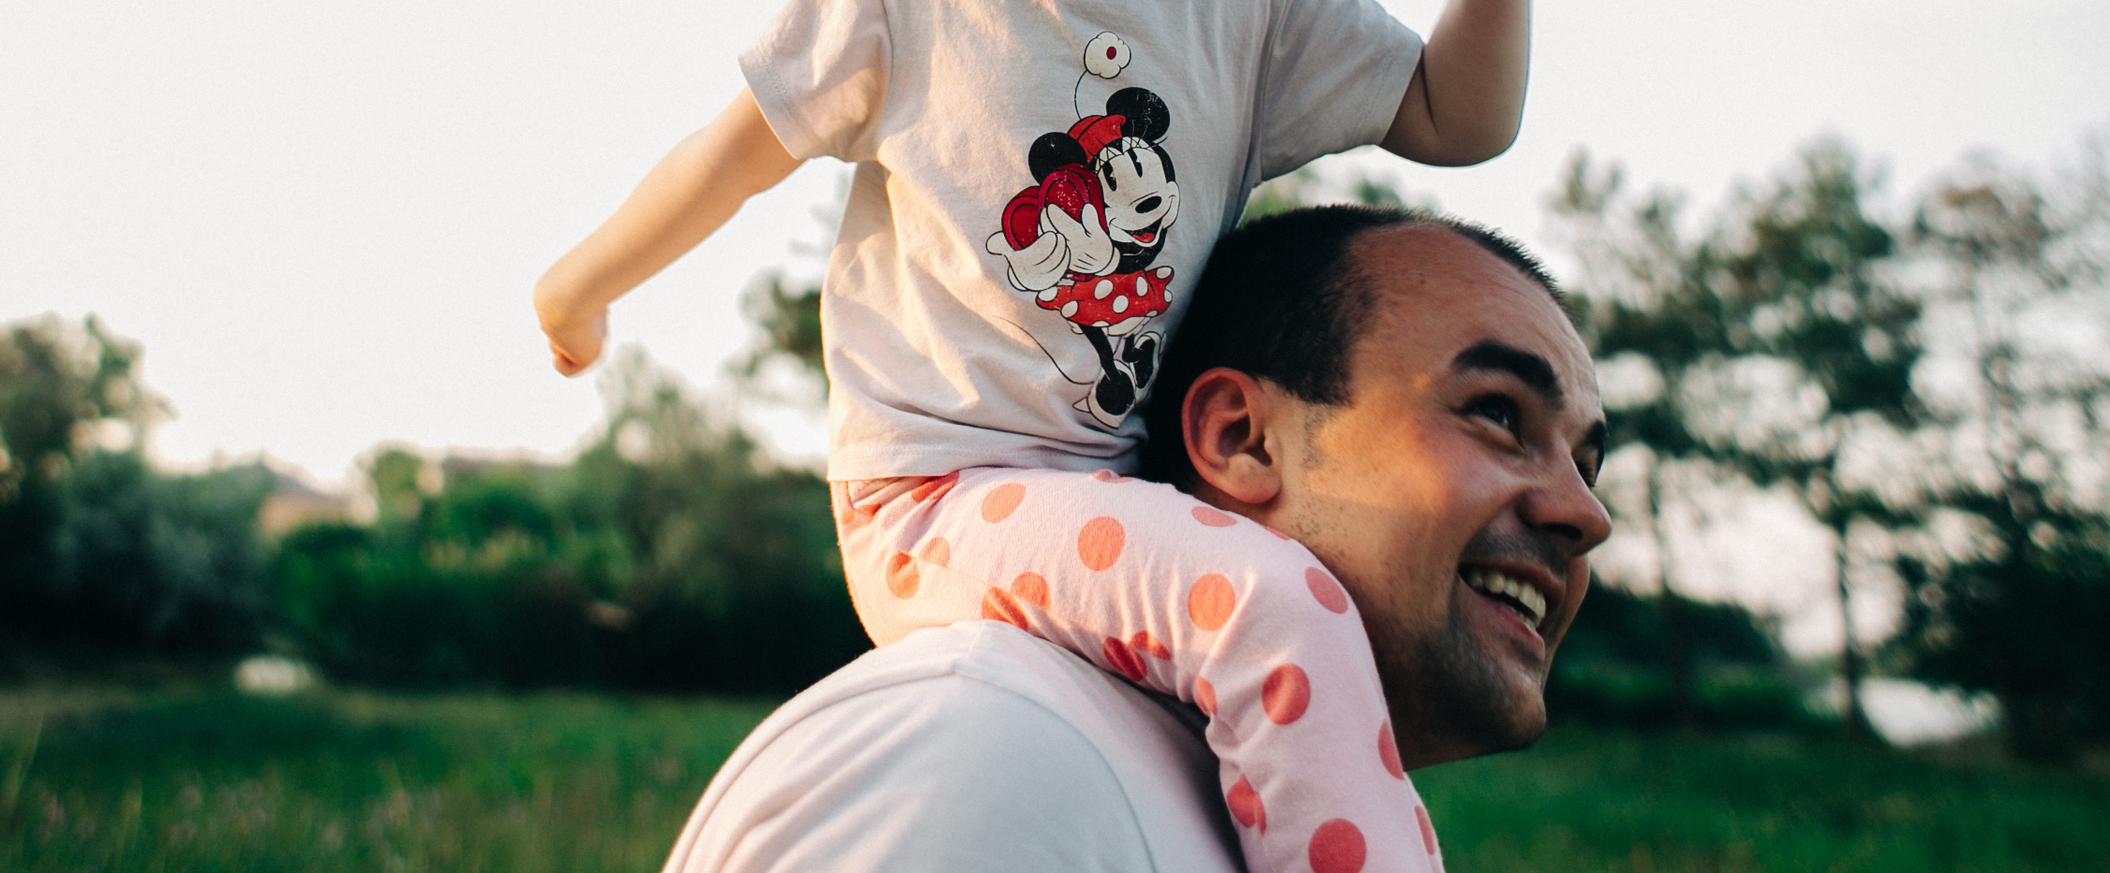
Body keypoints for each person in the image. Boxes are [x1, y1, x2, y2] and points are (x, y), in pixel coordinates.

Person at [535, 0, 1571, 873]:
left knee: (1315, 660)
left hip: (1126, 485)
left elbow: (1459, 114)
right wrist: (582, 282)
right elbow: (721, 158)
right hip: (938, 496)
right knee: (1280, 608)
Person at [660, 205, 1613, 873]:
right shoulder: (993, 763)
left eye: (1588, 461)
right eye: (1496, 412)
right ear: (1241, 438)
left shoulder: (1204, 794)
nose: (1586, 514)